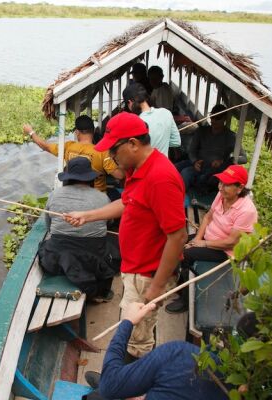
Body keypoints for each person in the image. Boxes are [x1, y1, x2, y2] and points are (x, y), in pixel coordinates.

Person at [65, 112, 187, 359]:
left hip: (146, 273)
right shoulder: (137, 169)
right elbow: (127, 203)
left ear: (133, 143)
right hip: (133, 267)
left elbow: (178, 236)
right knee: (131, 328)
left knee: (137, 338)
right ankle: (123, 380)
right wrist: (87, 215)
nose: (110, 157)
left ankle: (125, 387)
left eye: (113, 150)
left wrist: (157, 285)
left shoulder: (160, 178)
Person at [83, 302, 229, 400]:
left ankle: (109, 388)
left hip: (112, 385)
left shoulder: (177, 354)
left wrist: (127, 322)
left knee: (102, 392)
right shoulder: (235, 384)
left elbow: (110, 386)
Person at [166, 165, 258, 314]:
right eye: (220, 183)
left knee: (186, 254)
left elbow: (231, 242)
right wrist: (197, 238)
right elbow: (208, 217)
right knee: (177, 240)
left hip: (226, 252)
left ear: (240, 188)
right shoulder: (222, 195)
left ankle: (186, 300)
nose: (220, 187)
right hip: (209, 239)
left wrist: (203, 243)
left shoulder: (246, 210)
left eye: (226, 184)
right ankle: (180, 282)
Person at [38, 157, 117, 301]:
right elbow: (108, 223)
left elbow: (49, 228)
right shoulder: (102, 198)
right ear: (90, 178)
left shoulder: (54, 195)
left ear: (68, 178)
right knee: (112, 246)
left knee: (46, 246)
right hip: (92, 260)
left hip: (57, 260)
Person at [23, 115, 124, 197]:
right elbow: (119, 175)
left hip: (73, 194)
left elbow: (45, 146)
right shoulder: (102, 152)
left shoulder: (68, 147)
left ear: (77, 132)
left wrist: (31, 132)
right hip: (97, 197)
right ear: (93, 131)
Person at [178, 104, 236, 193]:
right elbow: (192, 150)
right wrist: (195, 161)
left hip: (214, 170)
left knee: (191, 175)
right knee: (178, 169)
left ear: (225, 118)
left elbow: (242, 157)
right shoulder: (201, 131)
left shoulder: (230, 136)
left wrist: (222, 161)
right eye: (212, 117)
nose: (214, 120)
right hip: (198, 164)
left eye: (218, 118)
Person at [123, 83, 180, 157]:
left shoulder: (135, 122)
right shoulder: (166, 112)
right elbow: (176, 142)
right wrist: (163, 141)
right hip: (164, 166)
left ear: (130, 102)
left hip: (147, 167)